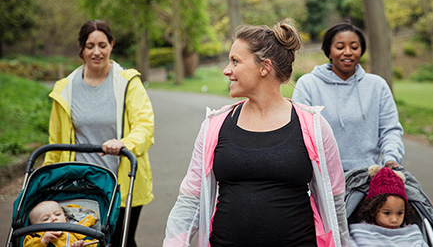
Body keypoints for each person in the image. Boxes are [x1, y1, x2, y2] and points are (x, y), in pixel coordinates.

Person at [163, 19, 349, 247]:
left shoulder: (314, 127)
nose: (226, 70)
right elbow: (191, 199)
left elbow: (335, 201)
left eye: (235, 61)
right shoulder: (215, 126)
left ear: (264, 67)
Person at [43, 20, 155, 247]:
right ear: (81, 48)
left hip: (122, 182)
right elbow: (55, 142)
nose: (96, 52)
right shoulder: (65, 89)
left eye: (102, 45)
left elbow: (145, 126)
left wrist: (125, 144)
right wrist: (46, 182)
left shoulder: (128, 83)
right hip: (79, 185)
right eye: (90, 46)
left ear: (111, 45)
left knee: (120, 241)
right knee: (82, 242)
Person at [292, 22, 404, 171]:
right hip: (323, 177)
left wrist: (391, 159)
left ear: (362, 51)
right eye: (340, 47)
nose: (348, 52)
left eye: (354, 47)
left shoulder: (377, 85)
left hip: (369, 173)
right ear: (329, 51)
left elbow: (390, 130)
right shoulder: (308, 84)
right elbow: (299, 132)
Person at [349, 166, 428, 247]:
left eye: (400, 213)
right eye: (387, 213)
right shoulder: (360, 233)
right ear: (372, 210)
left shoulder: (412, 235)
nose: (394, 220)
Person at [23, 201, 98, 247]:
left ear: (65, 218)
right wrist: (42, 241)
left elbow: (95, 243)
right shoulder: (36, 237)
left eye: (57, 214)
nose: (54, 218)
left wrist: (82, 244)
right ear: (35, 228)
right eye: (46, 219)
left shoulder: (74, 231)